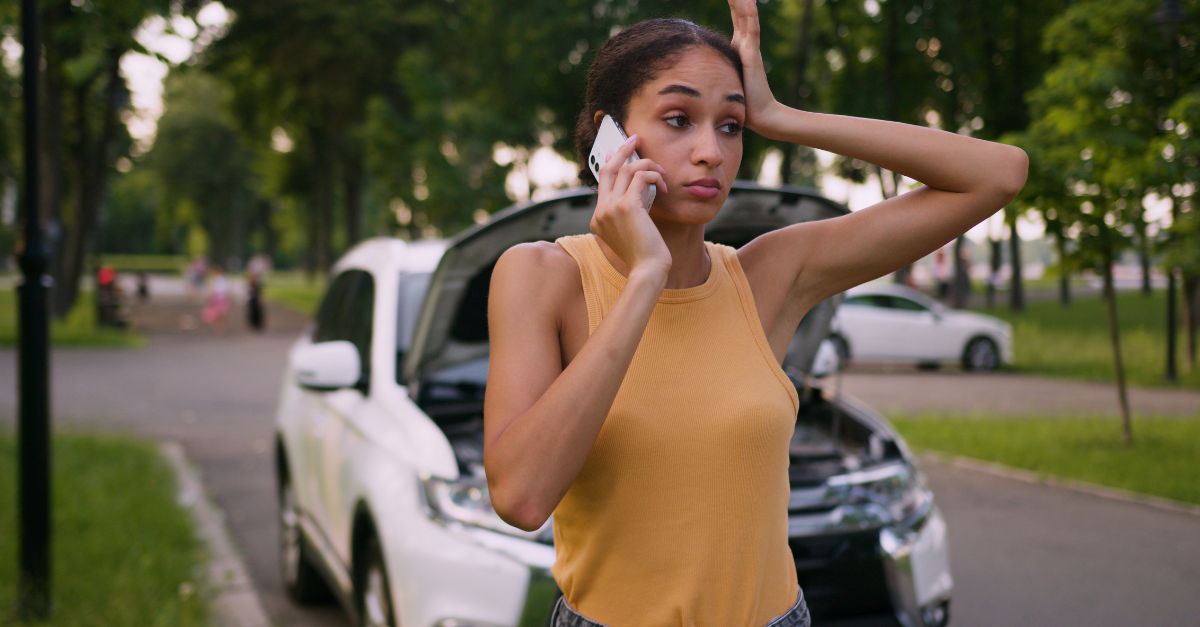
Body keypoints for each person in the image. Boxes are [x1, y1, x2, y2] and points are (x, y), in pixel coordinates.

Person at [484, 4, 1027, 627]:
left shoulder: (768, 276)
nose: (711, 151)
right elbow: (522, 497)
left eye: (732, 126)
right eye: (679, 119)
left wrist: (781, 118)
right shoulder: (539, 275)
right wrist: (644, 278)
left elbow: (998, 175)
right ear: (612, 137)